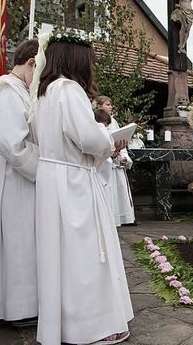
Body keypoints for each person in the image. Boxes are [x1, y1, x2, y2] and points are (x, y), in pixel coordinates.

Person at [33, 33, 133, 345]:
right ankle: (94, 327)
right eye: (90, 62)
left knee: (60, 254)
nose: (92, 69)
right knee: (86, 254)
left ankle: (66, 324)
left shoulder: (44, 93)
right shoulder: (70, 89)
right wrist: (108, 138)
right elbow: (89, 139)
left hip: (52, 177)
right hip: (74, 180)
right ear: (78, 61)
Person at [0, 39, 39, 327]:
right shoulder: (5, 89)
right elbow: (9, 141)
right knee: (15, 237)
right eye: (39, 71)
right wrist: (40, 168)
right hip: (11, 173)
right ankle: (17, 307)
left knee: (23, 237)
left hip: (17, 172)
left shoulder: (20, 89)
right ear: (30, 64)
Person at [95, 95, 136, 226]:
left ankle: (120, 219)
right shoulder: (94, 119)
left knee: (117, 194)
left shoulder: (114, 121)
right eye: (107, 104)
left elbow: (118, 138)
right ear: (99, 105)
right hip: (103, 163)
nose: (110, 107)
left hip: (114, 161)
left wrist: (122, 157)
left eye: (111, 104)